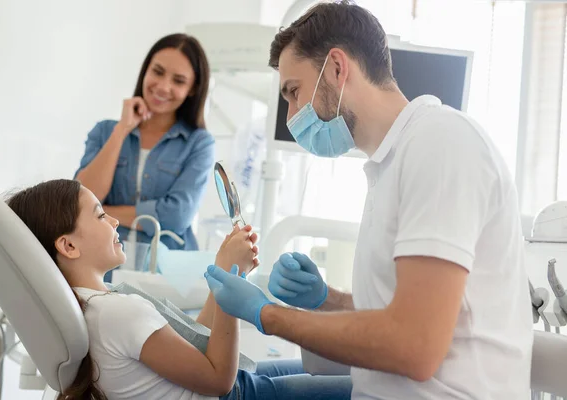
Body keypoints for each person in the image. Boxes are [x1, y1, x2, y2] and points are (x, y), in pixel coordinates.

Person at [203, 1, 533, 399]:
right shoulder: (391, 163)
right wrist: (329, 300)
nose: (290, 116)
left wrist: (266, 314)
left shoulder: (440, 144)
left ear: (338, 68)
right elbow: (406, 308)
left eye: (293, 92)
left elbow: (415, 344)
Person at [7, 179, 352, 400]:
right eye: (100, 216)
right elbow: (219, 381)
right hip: (236, 393)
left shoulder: (96, 306)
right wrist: (230, 288)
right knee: (369, 389)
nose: (113, 221)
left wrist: (226, 273)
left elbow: (195, 339)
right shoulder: (118, 312)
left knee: (335, 369)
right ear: (68, 246)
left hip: (240, 383)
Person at [74, 33, 214, 267]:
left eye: (178, 81)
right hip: (103, 270)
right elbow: (81, 199)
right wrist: (122, 130)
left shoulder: (199, 143)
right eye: (157, 72)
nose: (163, 86)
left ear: (192, 89)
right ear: (145, 70)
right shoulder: (105, 131)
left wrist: (101, 212)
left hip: (166, 276)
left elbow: (176, 217)